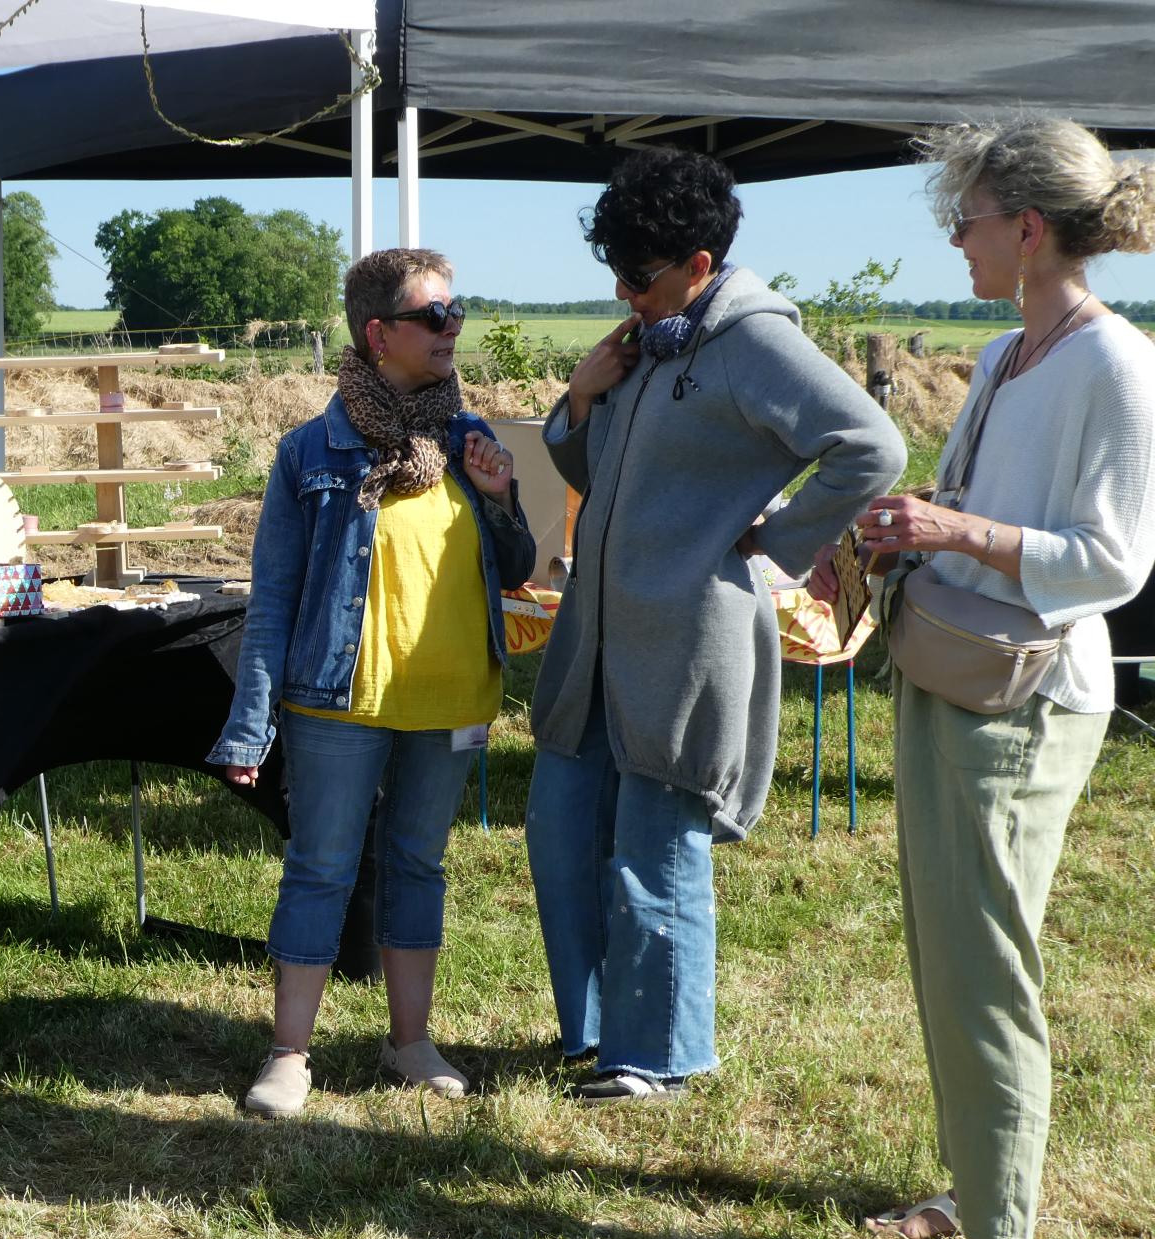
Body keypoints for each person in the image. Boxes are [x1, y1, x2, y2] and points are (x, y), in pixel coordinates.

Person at [811, 117, 1155, 1239]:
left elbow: (1115, 563)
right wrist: (906, 524)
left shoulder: (1115, 364)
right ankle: (976, 1186)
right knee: (949, 954)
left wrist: (954, 535)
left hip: (1026, 695)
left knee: (990, 966)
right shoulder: (1012, 352)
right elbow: (981, 510)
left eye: (965, 219)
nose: (954, 240)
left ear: (1027, 226)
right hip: (949, 668)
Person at [528, 148, 905, 1103]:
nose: (623, 291)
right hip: (597, 638)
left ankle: (660, 1055)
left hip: (685, 640)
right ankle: (596, 1034)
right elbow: (597, 479)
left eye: (639, 274)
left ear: (700, 264)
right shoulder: (649, 339)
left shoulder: (753, 343)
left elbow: (871, 445)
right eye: (615, 270)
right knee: (563, 834)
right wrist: (582, 397)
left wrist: (777, 540)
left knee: (656, 848)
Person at [207, 247, 534, 1117]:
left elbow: (516, 568)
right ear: (379, 334)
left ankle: (409, 1043)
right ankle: (289, 1055)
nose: (452, 328)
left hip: (454, 698)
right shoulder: (309, 451)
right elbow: (273, 599)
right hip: (336, 697)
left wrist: (501, 497)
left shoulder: (470, 441)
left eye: (456, 311)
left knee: (418, 865)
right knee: (321, 866)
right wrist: (250, 723)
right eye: (434, 316)